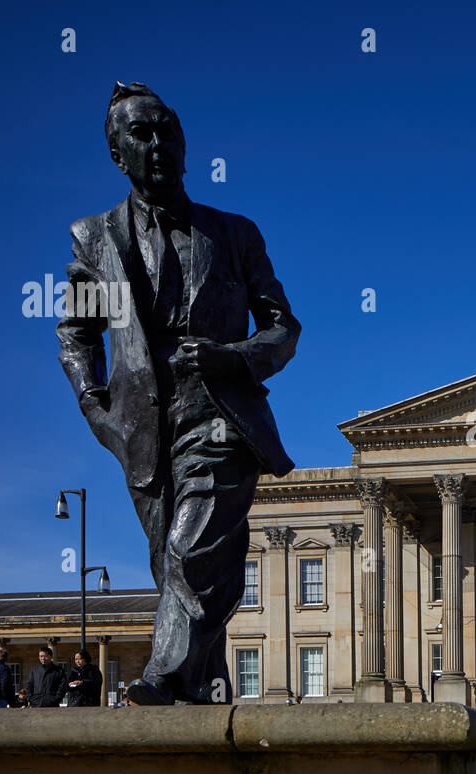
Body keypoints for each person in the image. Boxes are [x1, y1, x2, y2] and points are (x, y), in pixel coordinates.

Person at [57, 83, 300, 706]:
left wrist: (232, 356)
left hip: (220, 415)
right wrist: (95, 406)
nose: (158, 143)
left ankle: (164, 677)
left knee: (191, 549)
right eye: (141, 134)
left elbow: (282, 328)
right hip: (139, 426)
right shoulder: (96, 238)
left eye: (167, 129)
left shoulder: (234, 234)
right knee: (175, 565)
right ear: (118, 154)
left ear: (186, 142)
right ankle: (206, 688)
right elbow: (78, 331)